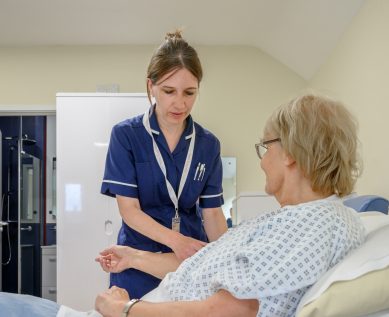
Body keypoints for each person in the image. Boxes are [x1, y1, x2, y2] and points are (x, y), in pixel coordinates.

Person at [0, 93, 367, 317]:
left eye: (265, 147)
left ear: (290, 152)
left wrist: (125, 310)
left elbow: (230, 310)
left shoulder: (315, 225)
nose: (261, 159)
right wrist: (135, 258)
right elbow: (210, 269)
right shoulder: (294, 222)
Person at [100, 30, 227, 298]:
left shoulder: (208, 145)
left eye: (189, 92)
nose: (180, 103)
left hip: (187, 263)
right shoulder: (126, 136)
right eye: (169, 91)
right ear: (151, 86)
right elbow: (130, 210)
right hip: (136, 260)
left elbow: (213, 214)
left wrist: (226, 259)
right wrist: (175, 242)